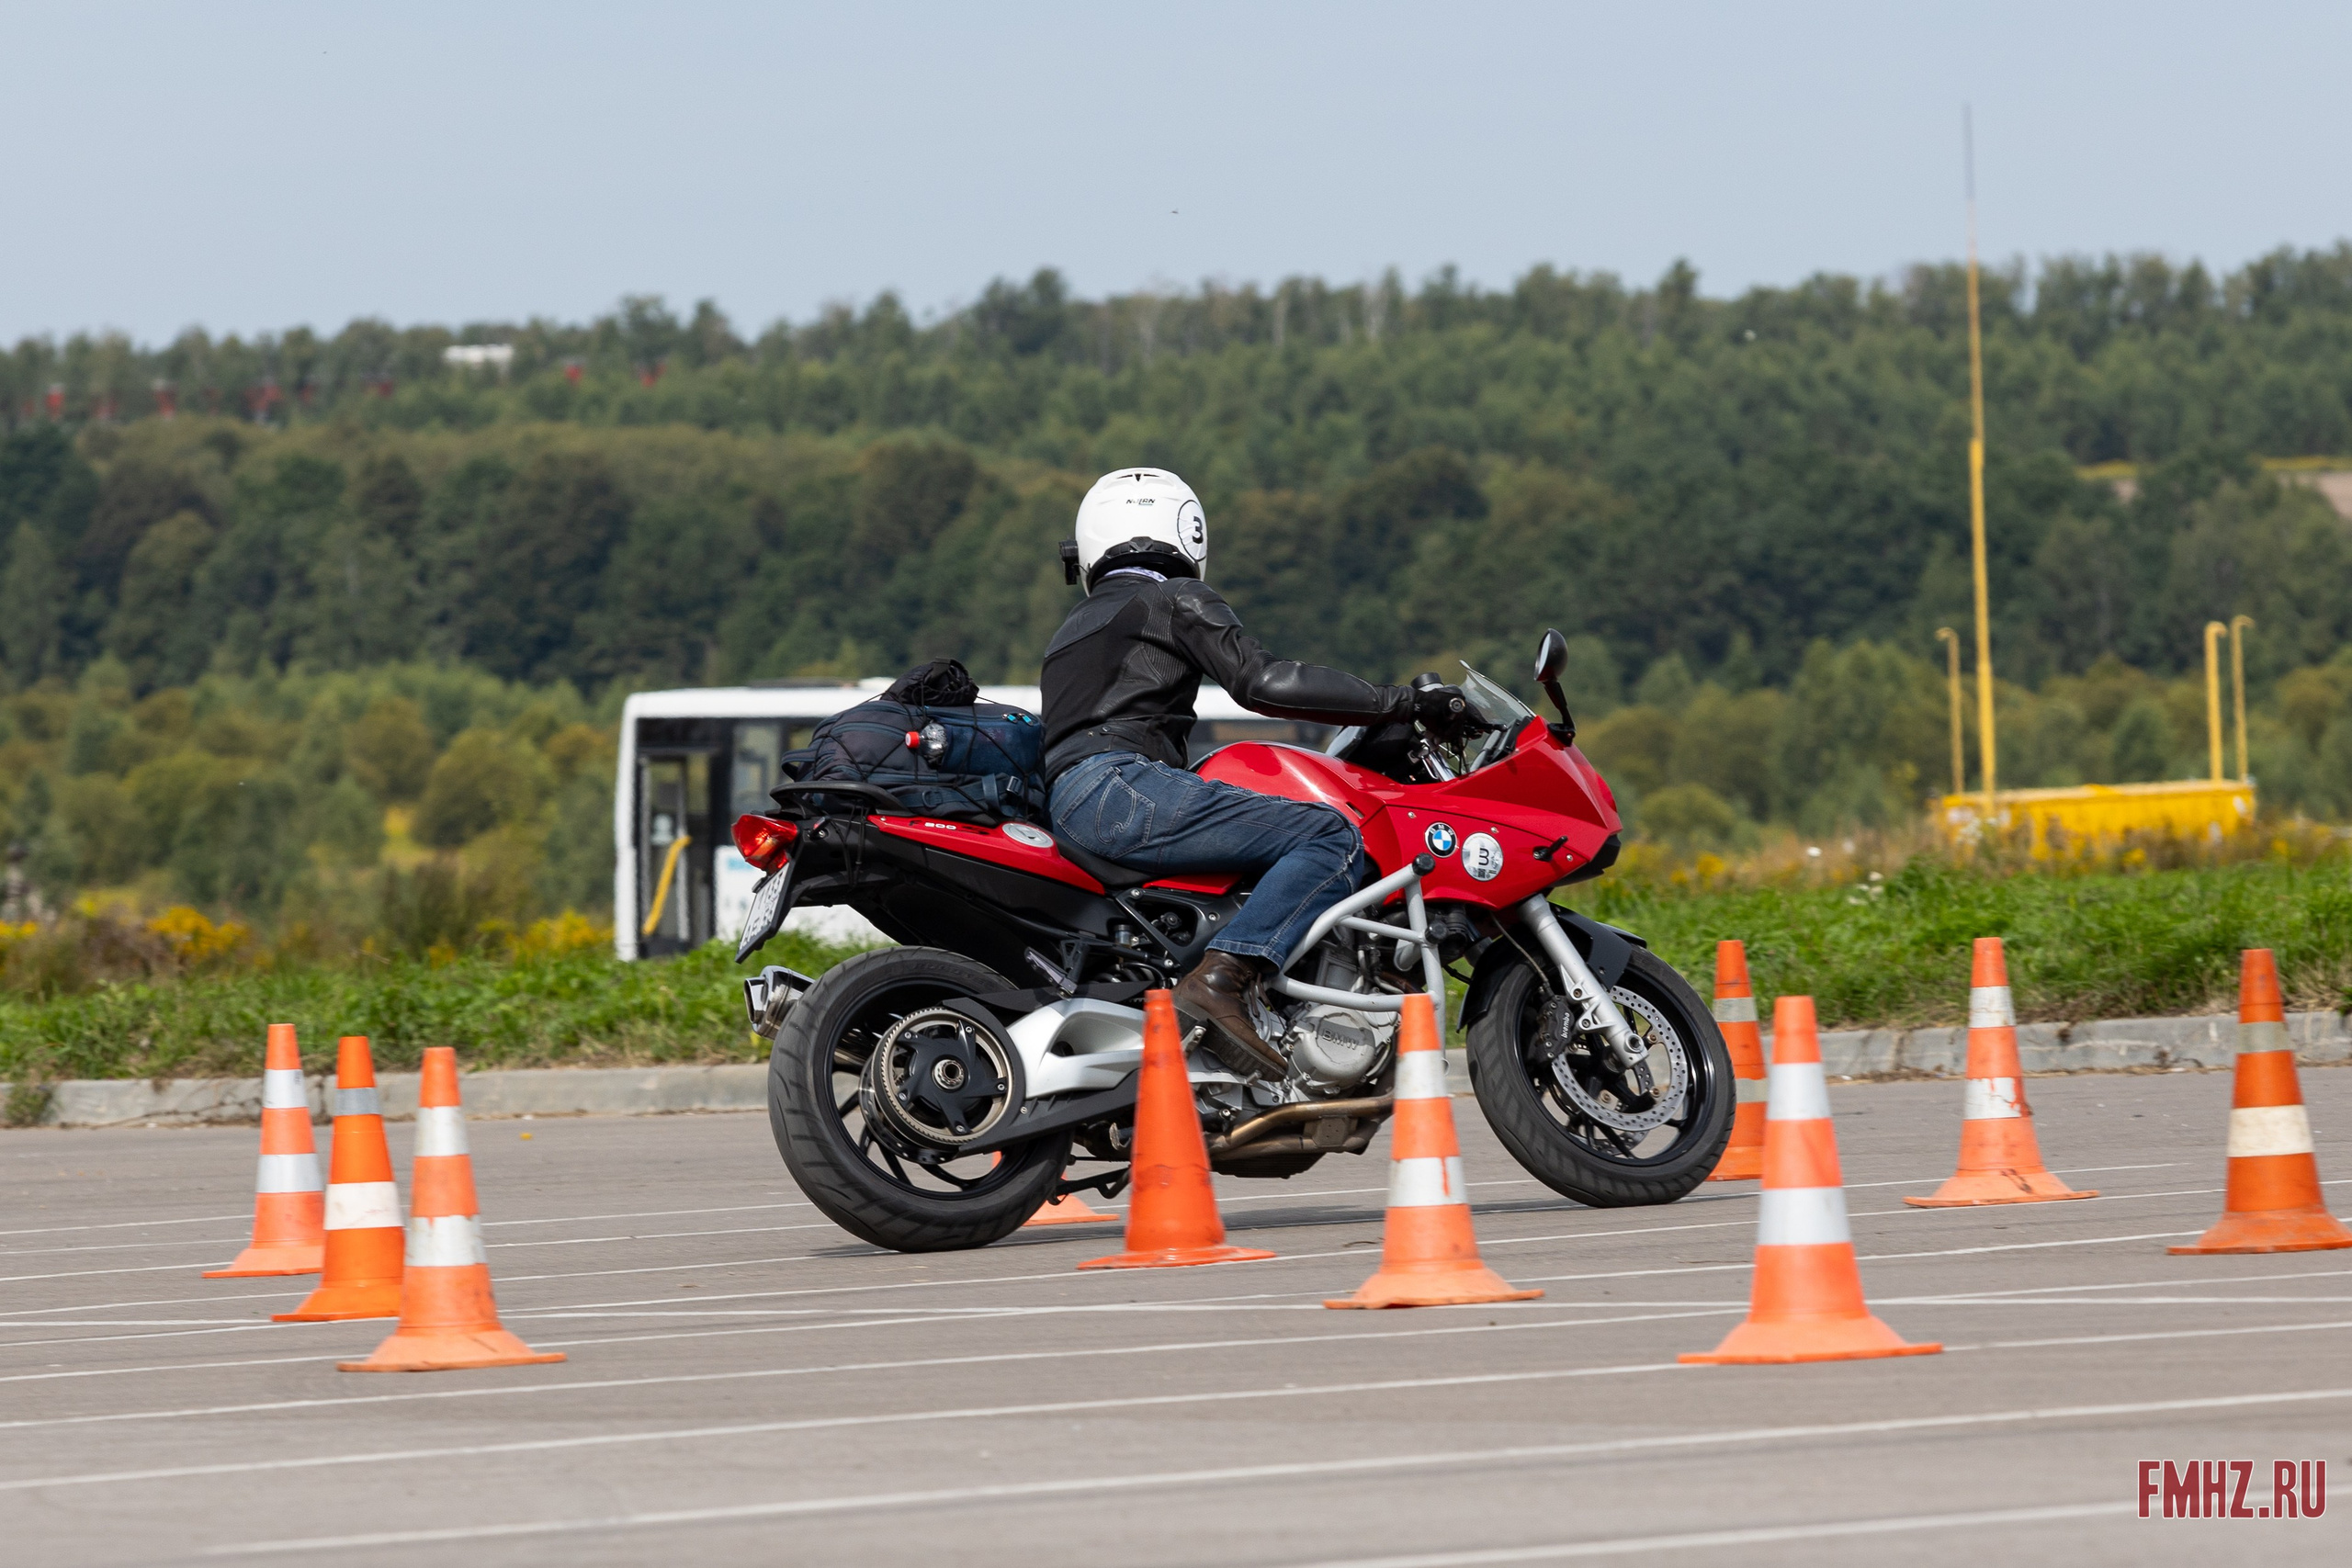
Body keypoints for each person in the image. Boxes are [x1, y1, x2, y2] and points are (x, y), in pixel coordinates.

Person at [1039, 468, 1466, 1079]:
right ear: (1185, 530)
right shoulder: (1170, 598)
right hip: (1124, 789)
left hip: (1078, 801)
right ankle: (1224, 980)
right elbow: (1262, 682)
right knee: (1329, 835)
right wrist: (1404, 702)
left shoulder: (1072, 631)